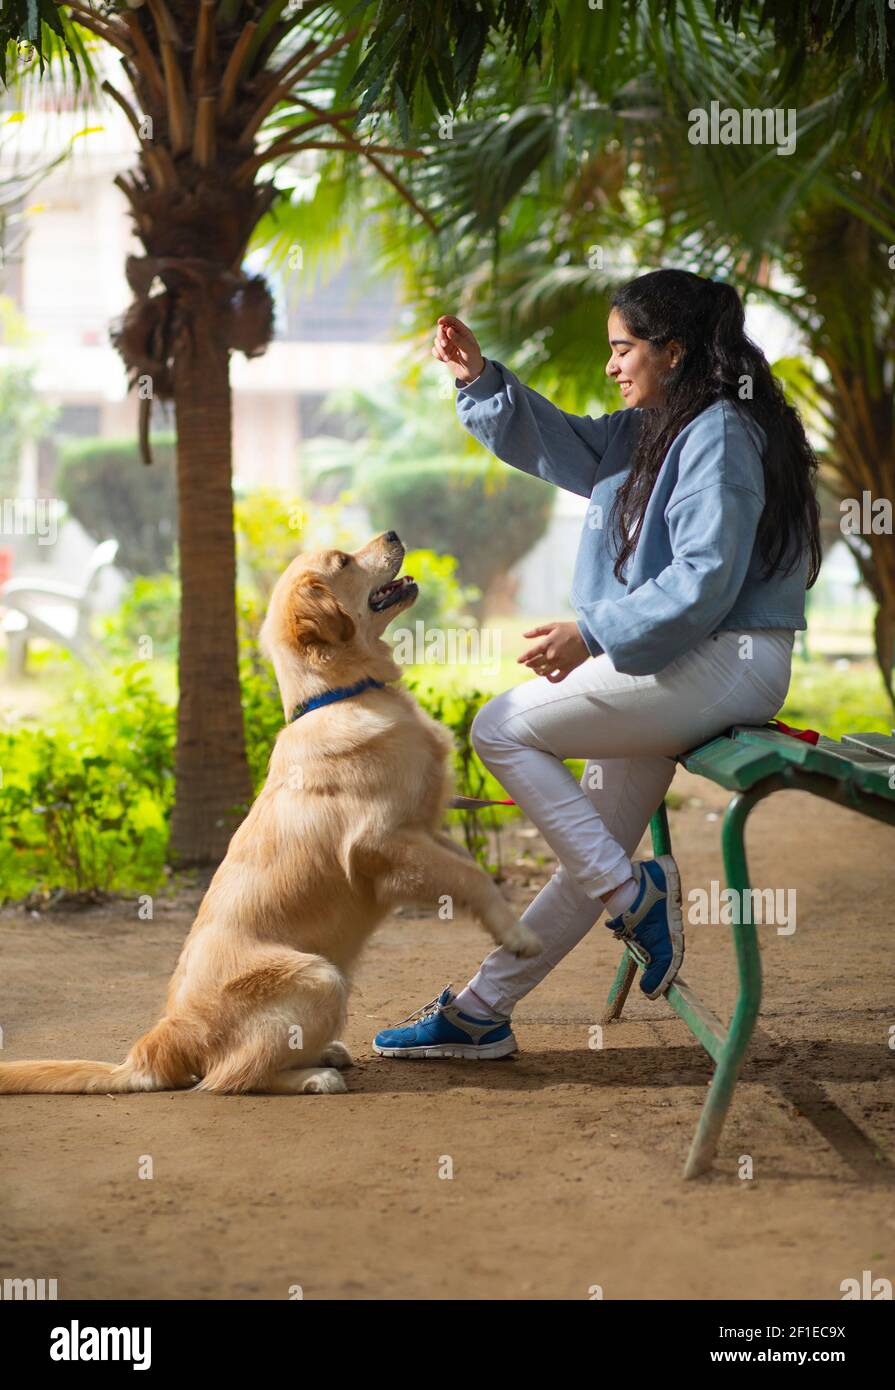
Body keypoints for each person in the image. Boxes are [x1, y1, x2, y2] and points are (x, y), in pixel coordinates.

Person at [372, 268, 821, 1061]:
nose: (612, 366)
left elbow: (704, 577)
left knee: (501, 729)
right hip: (684, 661)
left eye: (623, 350)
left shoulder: (717, 433)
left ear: (673, 352)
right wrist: (479, 380)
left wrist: (593, 633)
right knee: (594, 847)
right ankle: (482, 1011)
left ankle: (633, 893)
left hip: (723, 660)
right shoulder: (649, 427)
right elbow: (562, 443)